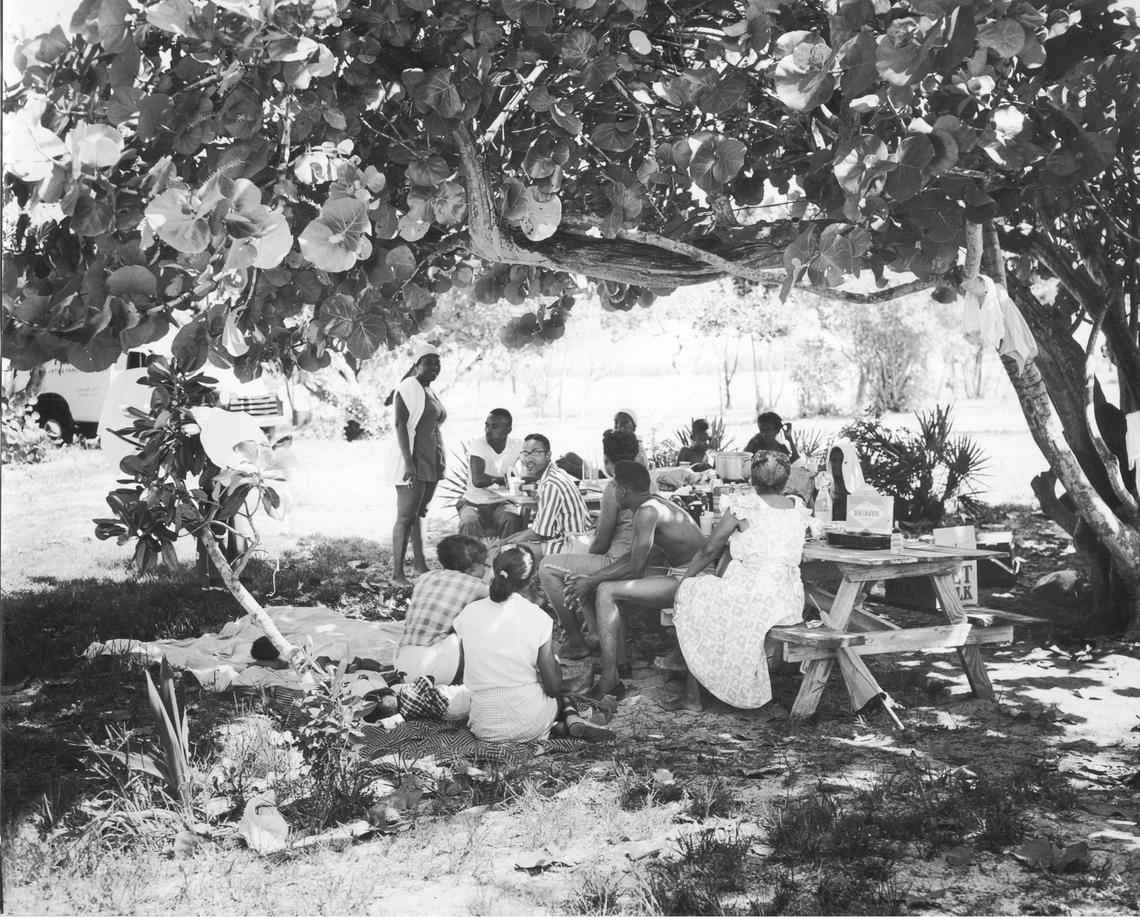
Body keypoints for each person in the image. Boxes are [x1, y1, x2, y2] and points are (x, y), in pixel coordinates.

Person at [663, 451, 809, 712]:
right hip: (788, 599)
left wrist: (685, 581)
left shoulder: (743, 507)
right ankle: (703, 681)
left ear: (752, 479)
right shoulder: (797, 508)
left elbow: (709, 550)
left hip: (755, 596)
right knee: (714, 596)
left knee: (695, 592)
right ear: (785, 481)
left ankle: (692, 696)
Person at [563, 460, 705, 701]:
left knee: (606, 590)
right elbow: (631, 557)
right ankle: (616, 669)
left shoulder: (647, 512)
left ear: (622, 490)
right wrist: (592, 577)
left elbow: (636, 569)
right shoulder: (653, 504)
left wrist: (591, 582)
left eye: (613, 487)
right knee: (604, 586)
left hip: (694, 580)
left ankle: (610, 678)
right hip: (684, 574)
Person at [452, 546, 614, 743]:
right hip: (530, 719)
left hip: (484, 725)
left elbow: (466, 669)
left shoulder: (468, 613)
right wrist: (553, 660)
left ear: (494, 572)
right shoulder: (538, 618)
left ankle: (565, 726)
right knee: (560, 698)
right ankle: (572, 720)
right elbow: (553, 687)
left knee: (530, 701)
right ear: (529, 581)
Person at [537, 428, 643, 660]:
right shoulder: (646, 480)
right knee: (575, 564)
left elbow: (602, 542)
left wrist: (587, 554)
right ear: (636, 455)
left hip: (617, 562)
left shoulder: (615, 487)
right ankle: (595, 632)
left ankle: (577, 641)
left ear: (606, 461)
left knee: (548, 567)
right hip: (638, 558)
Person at [387, 345, 447, 587]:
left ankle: (420, 565)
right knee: (405, 517)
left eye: (437, 362)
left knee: (420, 513)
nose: (434, 367)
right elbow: (400, 425)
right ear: (416, 365)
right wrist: (408, 464)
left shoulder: (428, 389)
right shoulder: (408, 386)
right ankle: (397, 575)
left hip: (432, 460)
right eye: (428, 362)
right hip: (414, 460)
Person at [395, 535, 489, 685]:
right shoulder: (476, 585)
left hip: (401, 664)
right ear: (473, 567)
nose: (485, 569)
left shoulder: (425, 577)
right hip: (436, 670)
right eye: (484, 565)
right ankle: (470, 680)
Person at [501, 433, 591, 557]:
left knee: (511, 552)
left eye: (535, 453)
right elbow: (539, 528)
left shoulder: (551, 484)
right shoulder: (555, 473)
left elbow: (539, 533)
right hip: (574, 539)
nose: (528, 459)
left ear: (548, 455)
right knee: (510, 545)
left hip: (572, 545)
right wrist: (507, 540)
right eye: (525, 454)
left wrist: (506, 543)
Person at [457, 408, 524, 540]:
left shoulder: (517, 445)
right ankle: (473, 555)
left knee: (511, 519)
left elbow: (532, 467)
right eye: (486, 425)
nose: (488, 430)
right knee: (468, 522)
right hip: (473, 503)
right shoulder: (478, 444)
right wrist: (505, 480)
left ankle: (506, 552)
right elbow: (478, 480)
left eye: (494, 427)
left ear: (508, 430)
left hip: (502, 503)